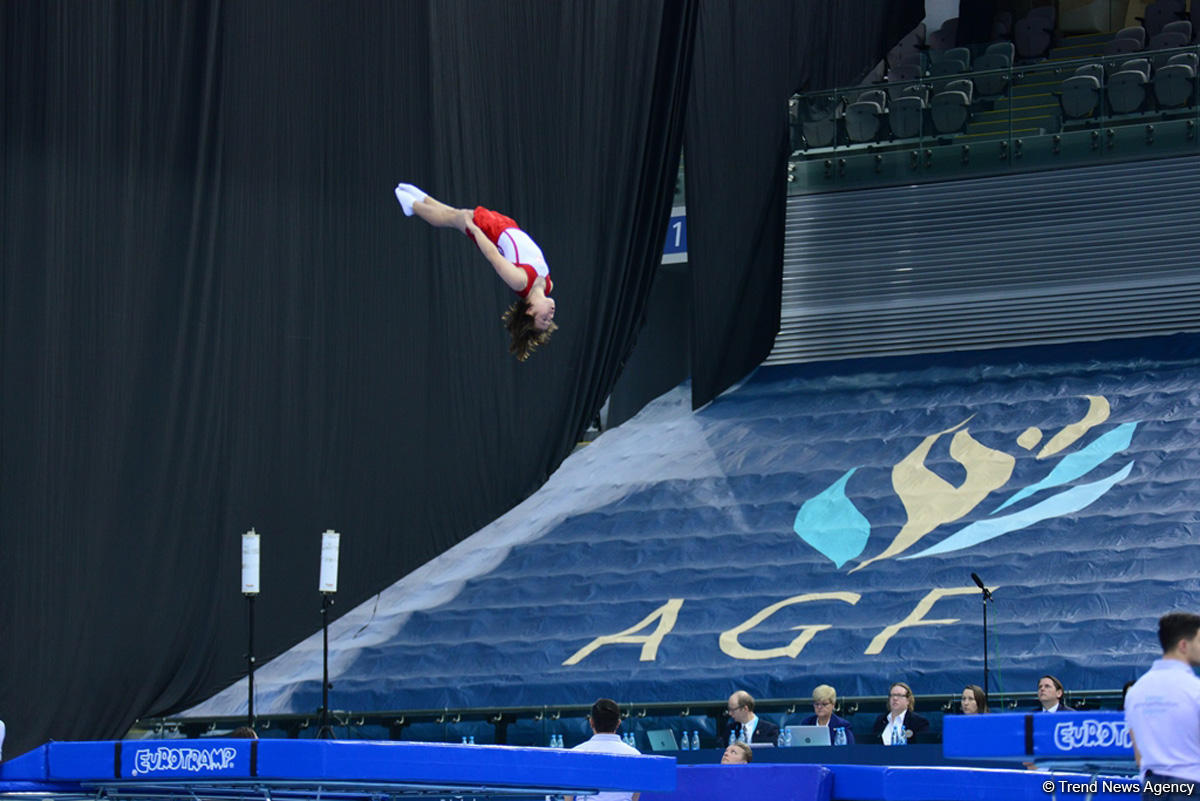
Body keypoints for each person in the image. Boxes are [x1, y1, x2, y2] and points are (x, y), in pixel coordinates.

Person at [394, 182, 557, 361]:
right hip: (509, 225)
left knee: (454, 217)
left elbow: (493, 255)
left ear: (530, 311)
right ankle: (420, 198)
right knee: (454, 214)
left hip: (491, 232)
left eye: (544, 320)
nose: (550, 316)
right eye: (549, 320)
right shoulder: (548, 285)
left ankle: (412, 206)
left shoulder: (520, 281)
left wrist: (474, 230)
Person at [1124, 612, 1200, 800]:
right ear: (1183, 645)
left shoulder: (1136, 691)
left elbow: (1138, 755)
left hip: (1152, 788)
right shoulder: (1194, 689)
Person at [569, 698, 641, 801]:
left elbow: (568, 794)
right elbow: (636, 795)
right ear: (618, 723)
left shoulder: (575, 753)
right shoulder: (636, 756)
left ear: (591, 722)